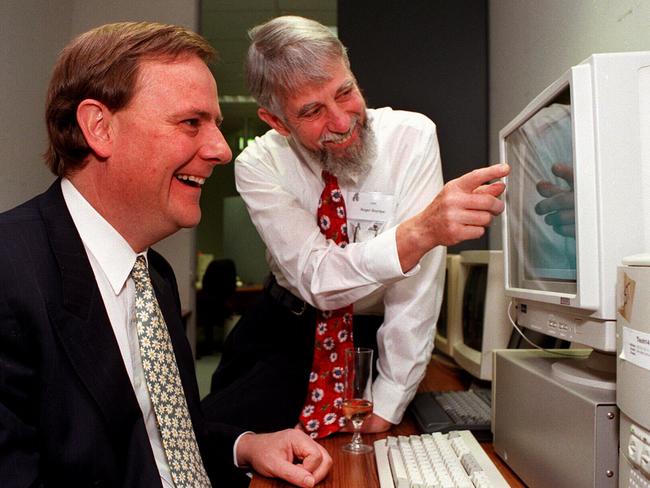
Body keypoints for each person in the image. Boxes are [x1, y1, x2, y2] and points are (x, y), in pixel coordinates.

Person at [0, 21, 331, 488]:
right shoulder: (10, 271)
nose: (221, 150)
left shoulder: (153, 274)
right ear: (99, 127)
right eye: (191, 123)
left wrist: (245, 445)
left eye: (214, 124)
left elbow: (155, 440)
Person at [203, 15, 509, 439]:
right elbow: (317, 277)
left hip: (372, 332)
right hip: (286, 329)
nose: (342, 122)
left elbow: (416, 289)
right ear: (276, 122)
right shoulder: (260, 165)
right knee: (222, 446)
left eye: (345, 92)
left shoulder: (412, 138)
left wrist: (390, 396)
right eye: (311, 112)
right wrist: (419, 233)